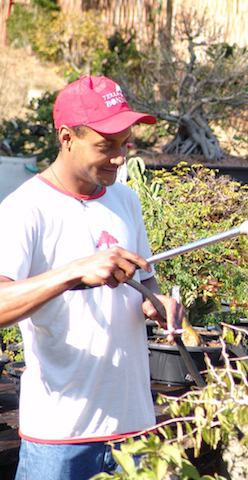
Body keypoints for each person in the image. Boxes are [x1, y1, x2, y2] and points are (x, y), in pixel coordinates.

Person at [0, 75, 183, 480]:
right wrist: (71, 273)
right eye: (106, 145)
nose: (120, 158)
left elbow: (144, 283)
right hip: (60, 437)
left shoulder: (125, 200)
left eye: (125, 144)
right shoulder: (24, 209)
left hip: (135, 430)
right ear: (67, 138)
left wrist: (158, 304)